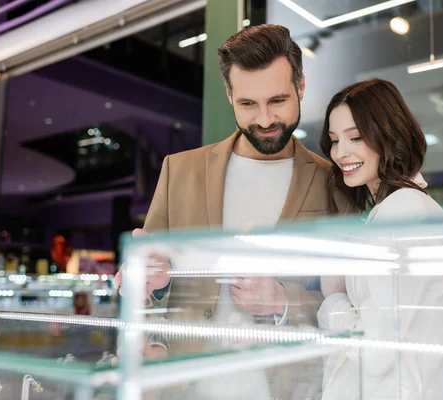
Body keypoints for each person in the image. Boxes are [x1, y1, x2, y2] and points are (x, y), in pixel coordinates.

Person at [114, 23, 353, 399]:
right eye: (247, 104)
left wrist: (281, 300)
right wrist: (148, 283)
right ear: (229, 95)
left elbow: (349, 305)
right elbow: (147, 295)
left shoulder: (333, 182)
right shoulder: (180, 170)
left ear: (301, 87)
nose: (264, 119)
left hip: (290, 389)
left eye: (278, 101)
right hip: (185, 388)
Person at [317, 79, 443, 399]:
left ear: (388, 134)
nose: (340, 153)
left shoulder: (403, 211)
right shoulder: (400, 208)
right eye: (335, 140)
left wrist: (332, 299)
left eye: (355, 137)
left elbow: (376, 352)